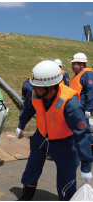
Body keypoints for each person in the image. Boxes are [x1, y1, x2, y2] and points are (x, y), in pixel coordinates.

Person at [15, 60, 92, 201]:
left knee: (67, 177)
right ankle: (27, 195)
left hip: (65, 142)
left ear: (51, 87)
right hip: (41, 136)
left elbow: (83, 135)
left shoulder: (70, 104)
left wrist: (86, 165)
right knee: (32, 166)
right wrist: (21, 125)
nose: (34, 90)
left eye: (38, 87)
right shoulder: (35, 93)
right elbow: (28, 109)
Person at [69, 53, 93, 120]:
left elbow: (90, 91)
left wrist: (88, 109)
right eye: (72, 64)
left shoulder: (87, 74)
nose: (72, 67)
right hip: (75, 107)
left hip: (82, 107)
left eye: (74, 64)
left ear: (81, 65)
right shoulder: (76, 75)